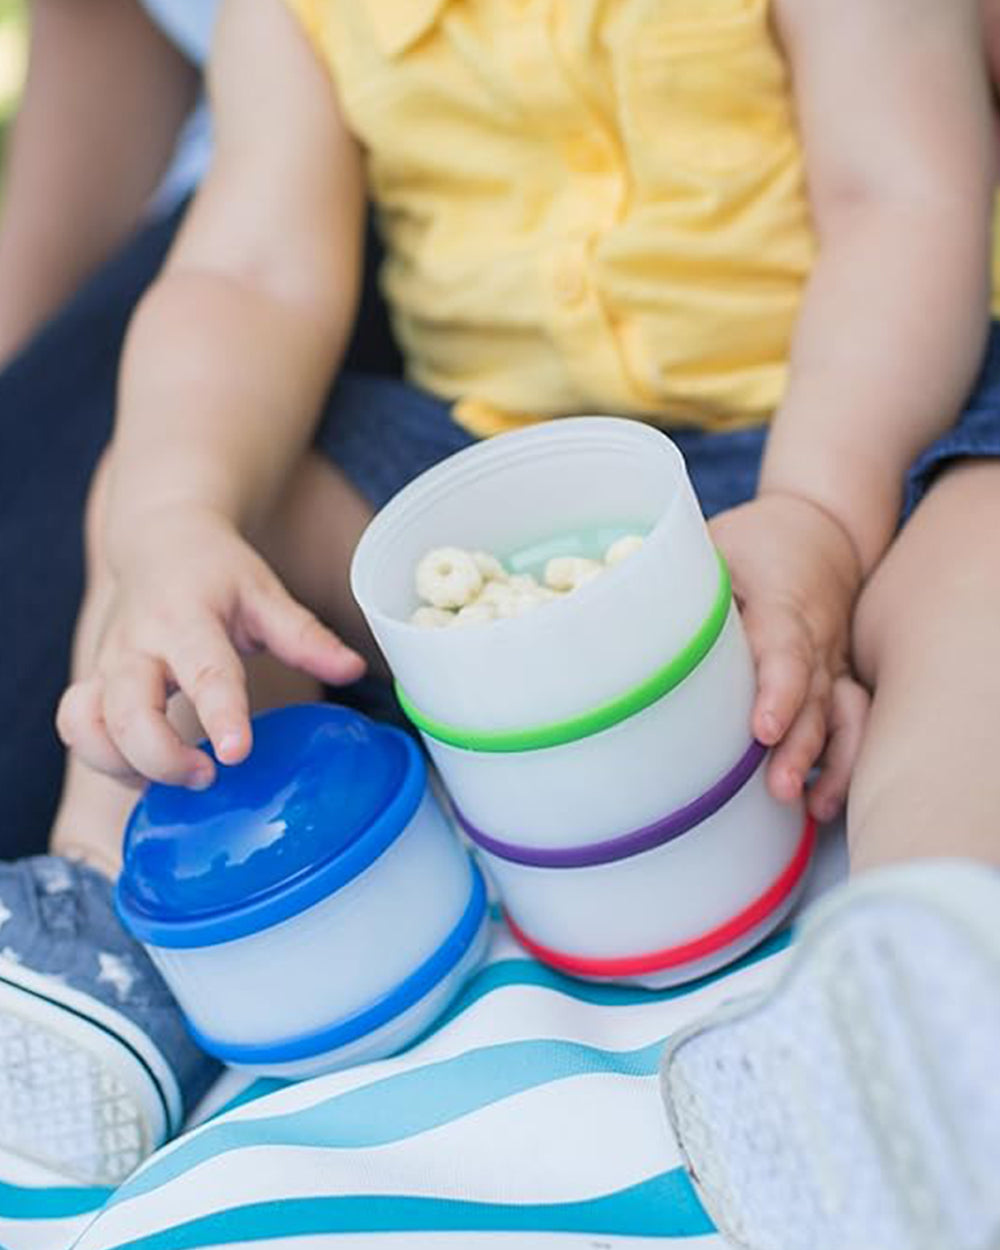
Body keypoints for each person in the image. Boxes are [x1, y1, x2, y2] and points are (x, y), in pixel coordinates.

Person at [2, 0, 999, 1241]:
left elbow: (899, 196)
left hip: (833, 433)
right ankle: (111, 912)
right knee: (180, 500)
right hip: (486, 479)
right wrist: (175, 516)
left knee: (981, 549)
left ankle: (920, 977)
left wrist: (824, 518)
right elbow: (249, 270)